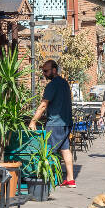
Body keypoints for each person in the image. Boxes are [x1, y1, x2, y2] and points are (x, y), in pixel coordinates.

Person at [29, 59, 75, 187]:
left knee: (48, 151)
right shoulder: (65, 83)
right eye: (43, 70)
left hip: (55, 123)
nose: (44, 73)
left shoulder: (52, 85)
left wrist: (33, 121)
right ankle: (70, 179)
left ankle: (48, 180)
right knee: (65, 150)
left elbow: (43, 105)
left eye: (46, 70)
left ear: (54, 70)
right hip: (66, 122)